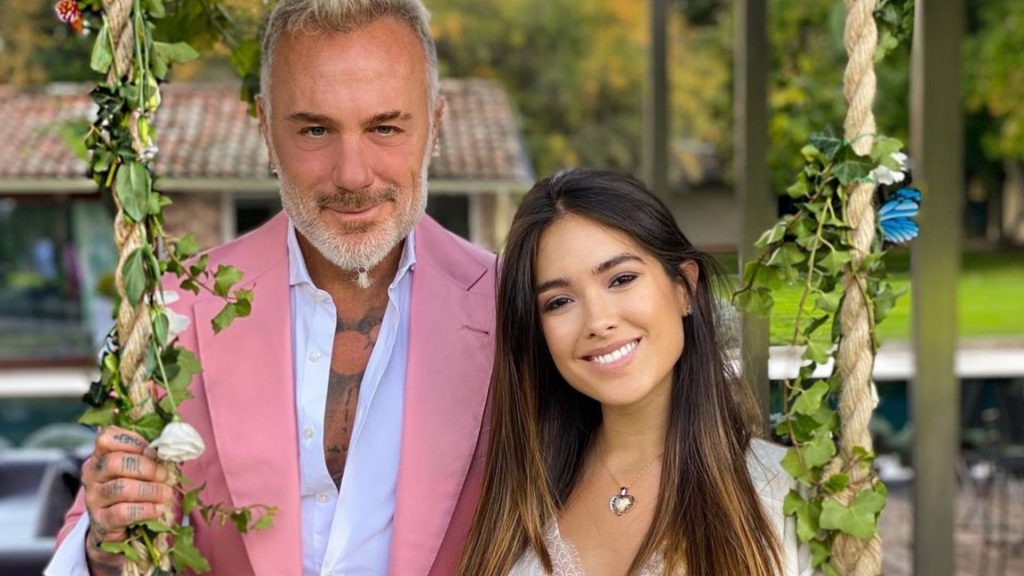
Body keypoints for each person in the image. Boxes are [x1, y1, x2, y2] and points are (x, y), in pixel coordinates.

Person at [47, 1, 496, 575]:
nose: (353, 174)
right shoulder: (175, 309)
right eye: (315, 129)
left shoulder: (512, 306)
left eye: (385, 128)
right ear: (264, 127)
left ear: (435, 125)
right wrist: (107, 538)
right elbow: (99, 548)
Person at [457, 169, 812, 576]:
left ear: (684, 288)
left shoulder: (787, 494)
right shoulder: (515, 501)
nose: (598, 321)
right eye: (559, 302)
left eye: (621, 279)